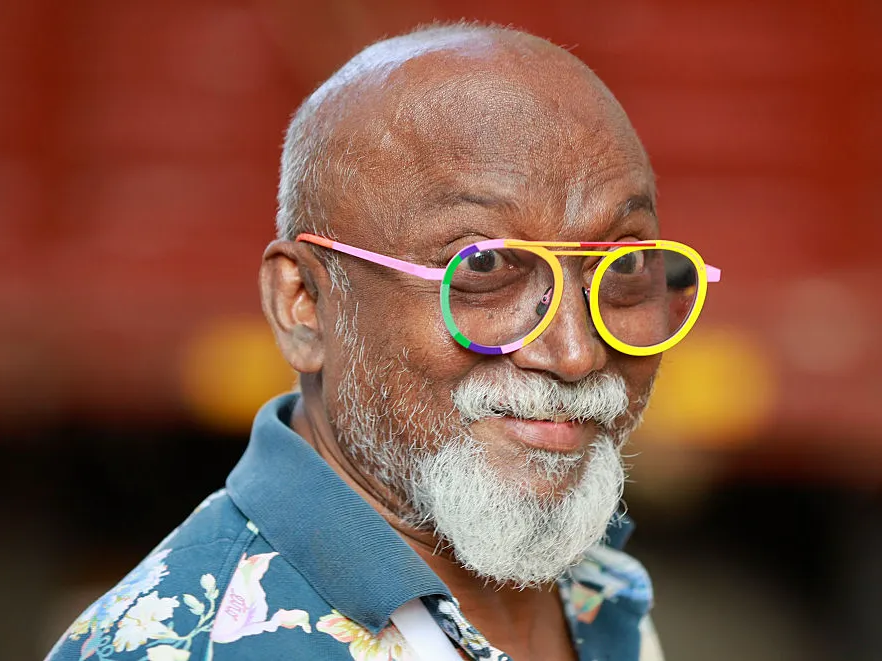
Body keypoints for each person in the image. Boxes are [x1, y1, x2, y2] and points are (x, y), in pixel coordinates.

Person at [46, 21, 721, 661]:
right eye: (484, 265)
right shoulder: (186, 646)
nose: (575, 353)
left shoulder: (599, 588)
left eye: (624, 265)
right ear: (304, 304)